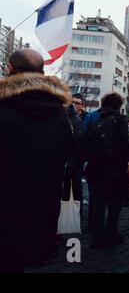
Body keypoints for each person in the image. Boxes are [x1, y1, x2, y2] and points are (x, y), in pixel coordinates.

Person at [0, 49, 72, 272]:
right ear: (42, 72)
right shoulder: (61, 113)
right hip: (42, 209)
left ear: (10, 69)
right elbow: (66, 154)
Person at [83, 93, 129, 249]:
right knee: (114, 203)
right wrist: (127, 163)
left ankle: (97, 236)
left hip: (96, 169)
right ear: (119, 105)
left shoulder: (96, 120)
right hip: (115, 170)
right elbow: (124, 143)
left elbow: (88, 144)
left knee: (98, 202)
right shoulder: (121, 119)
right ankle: (111, 233)